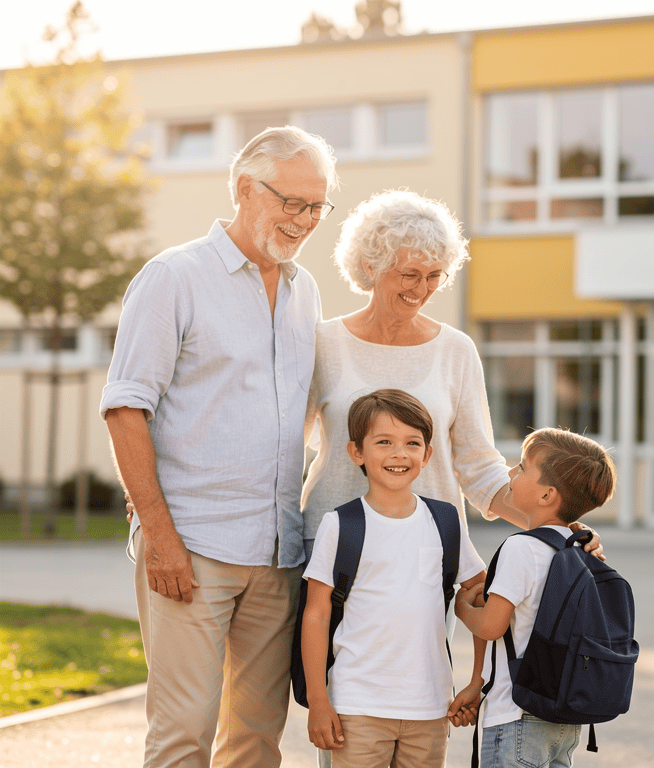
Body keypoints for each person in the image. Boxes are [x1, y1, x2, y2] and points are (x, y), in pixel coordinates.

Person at [100, 126, 338, 768]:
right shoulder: (174, 276)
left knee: (258, 739)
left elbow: (308, 413)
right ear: (243, 189)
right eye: (291, 202)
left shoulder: (304, 291)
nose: (304, 220)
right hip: (192, 546)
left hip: (277, 551)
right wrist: (160, 533)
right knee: (183, 735)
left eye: (316, 206)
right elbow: (126, 408)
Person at [301, 189, 603, 563]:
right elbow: (283, 448)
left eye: (433, 276)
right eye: (409, 274)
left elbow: (478, 467)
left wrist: (556, 527)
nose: (421, 290)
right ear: (369, 266)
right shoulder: (322, 343)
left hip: (427, 548)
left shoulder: (455, 350)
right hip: (331, 543)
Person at [301, 389, 487, 768]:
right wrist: (319, 702)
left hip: (431, 708)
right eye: (384, 442)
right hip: (357, 706)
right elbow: (316, 615)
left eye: (412, 443)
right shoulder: (340, 525)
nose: (399, 454)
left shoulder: (446, 522)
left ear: (427, 454)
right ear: (357, 453)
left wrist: (476, 679)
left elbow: (480, 594)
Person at [454, 428, 616, 768]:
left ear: (547, 495)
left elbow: (492, 626)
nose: (511, 473)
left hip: (516, 718)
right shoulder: (580, 549)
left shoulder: (521, 548)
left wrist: (462, 608)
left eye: (523, 468)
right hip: (564, 721)